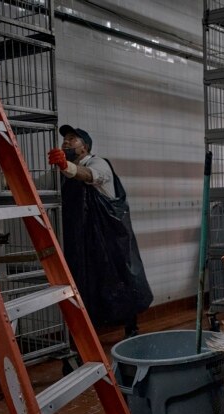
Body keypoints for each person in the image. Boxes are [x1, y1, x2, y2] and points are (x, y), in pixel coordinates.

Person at [48, 126, 152, 341]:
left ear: (84, 147)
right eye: (64, 139)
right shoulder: (60, 173)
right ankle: (87, 333)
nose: (66, 142)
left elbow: (90, 176)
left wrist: (65, 165)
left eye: (72, 139)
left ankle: (131, 327)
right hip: (82, 238)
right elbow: (35, 185)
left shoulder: (98, 163)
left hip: (111, 236)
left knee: (122, 276)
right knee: (87, 281)